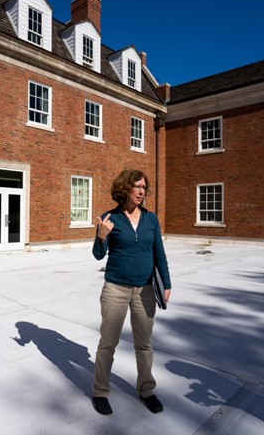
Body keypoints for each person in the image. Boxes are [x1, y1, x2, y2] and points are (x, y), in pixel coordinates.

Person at [91, 169, 172, 415]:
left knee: (144, 344)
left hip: (145, 289)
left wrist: (166, 283)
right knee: (108, 343)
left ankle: (146, 389)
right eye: (137, 186)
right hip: (116, 287)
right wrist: (102, 237)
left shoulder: (151, 219)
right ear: (125, 188)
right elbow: (97, 255)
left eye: (144, 187)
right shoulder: (109, 217)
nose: (141, 191)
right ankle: (100, 391)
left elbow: (159, 253)